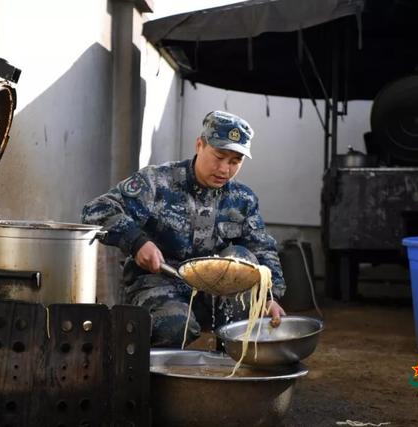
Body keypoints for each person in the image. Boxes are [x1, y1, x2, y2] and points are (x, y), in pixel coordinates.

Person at [82, 111, 286, 347]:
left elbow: (263, 249)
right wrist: (136, 241)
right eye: (219, 157)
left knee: (243, 258)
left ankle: (229, 353)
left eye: (235, 162)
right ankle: (154, 374)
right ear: (200, 145)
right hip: (160, 283)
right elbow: (96, 210)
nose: (224, 170)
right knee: (175, 326)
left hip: (213, 293)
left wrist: (269, 298)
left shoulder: (243, 199)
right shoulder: (158, 182)